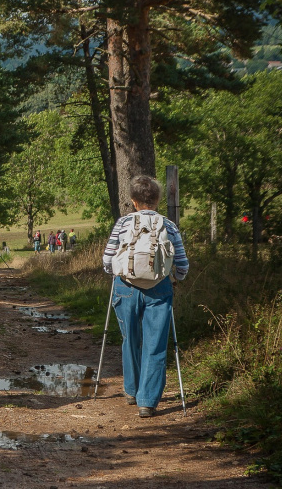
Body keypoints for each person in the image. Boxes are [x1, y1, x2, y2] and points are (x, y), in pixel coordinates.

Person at [102, 176, 189, 418]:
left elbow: (108, 260)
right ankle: (147, 402)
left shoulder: (122, 223)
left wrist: (115, 273)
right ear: (158, 200)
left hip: (125, 287)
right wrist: (176, 279)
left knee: (130, 338)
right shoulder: (169, 226)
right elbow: (182, 264)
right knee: (156, 344)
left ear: (133, 201)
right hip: (159, 288)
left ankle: (131, 390)